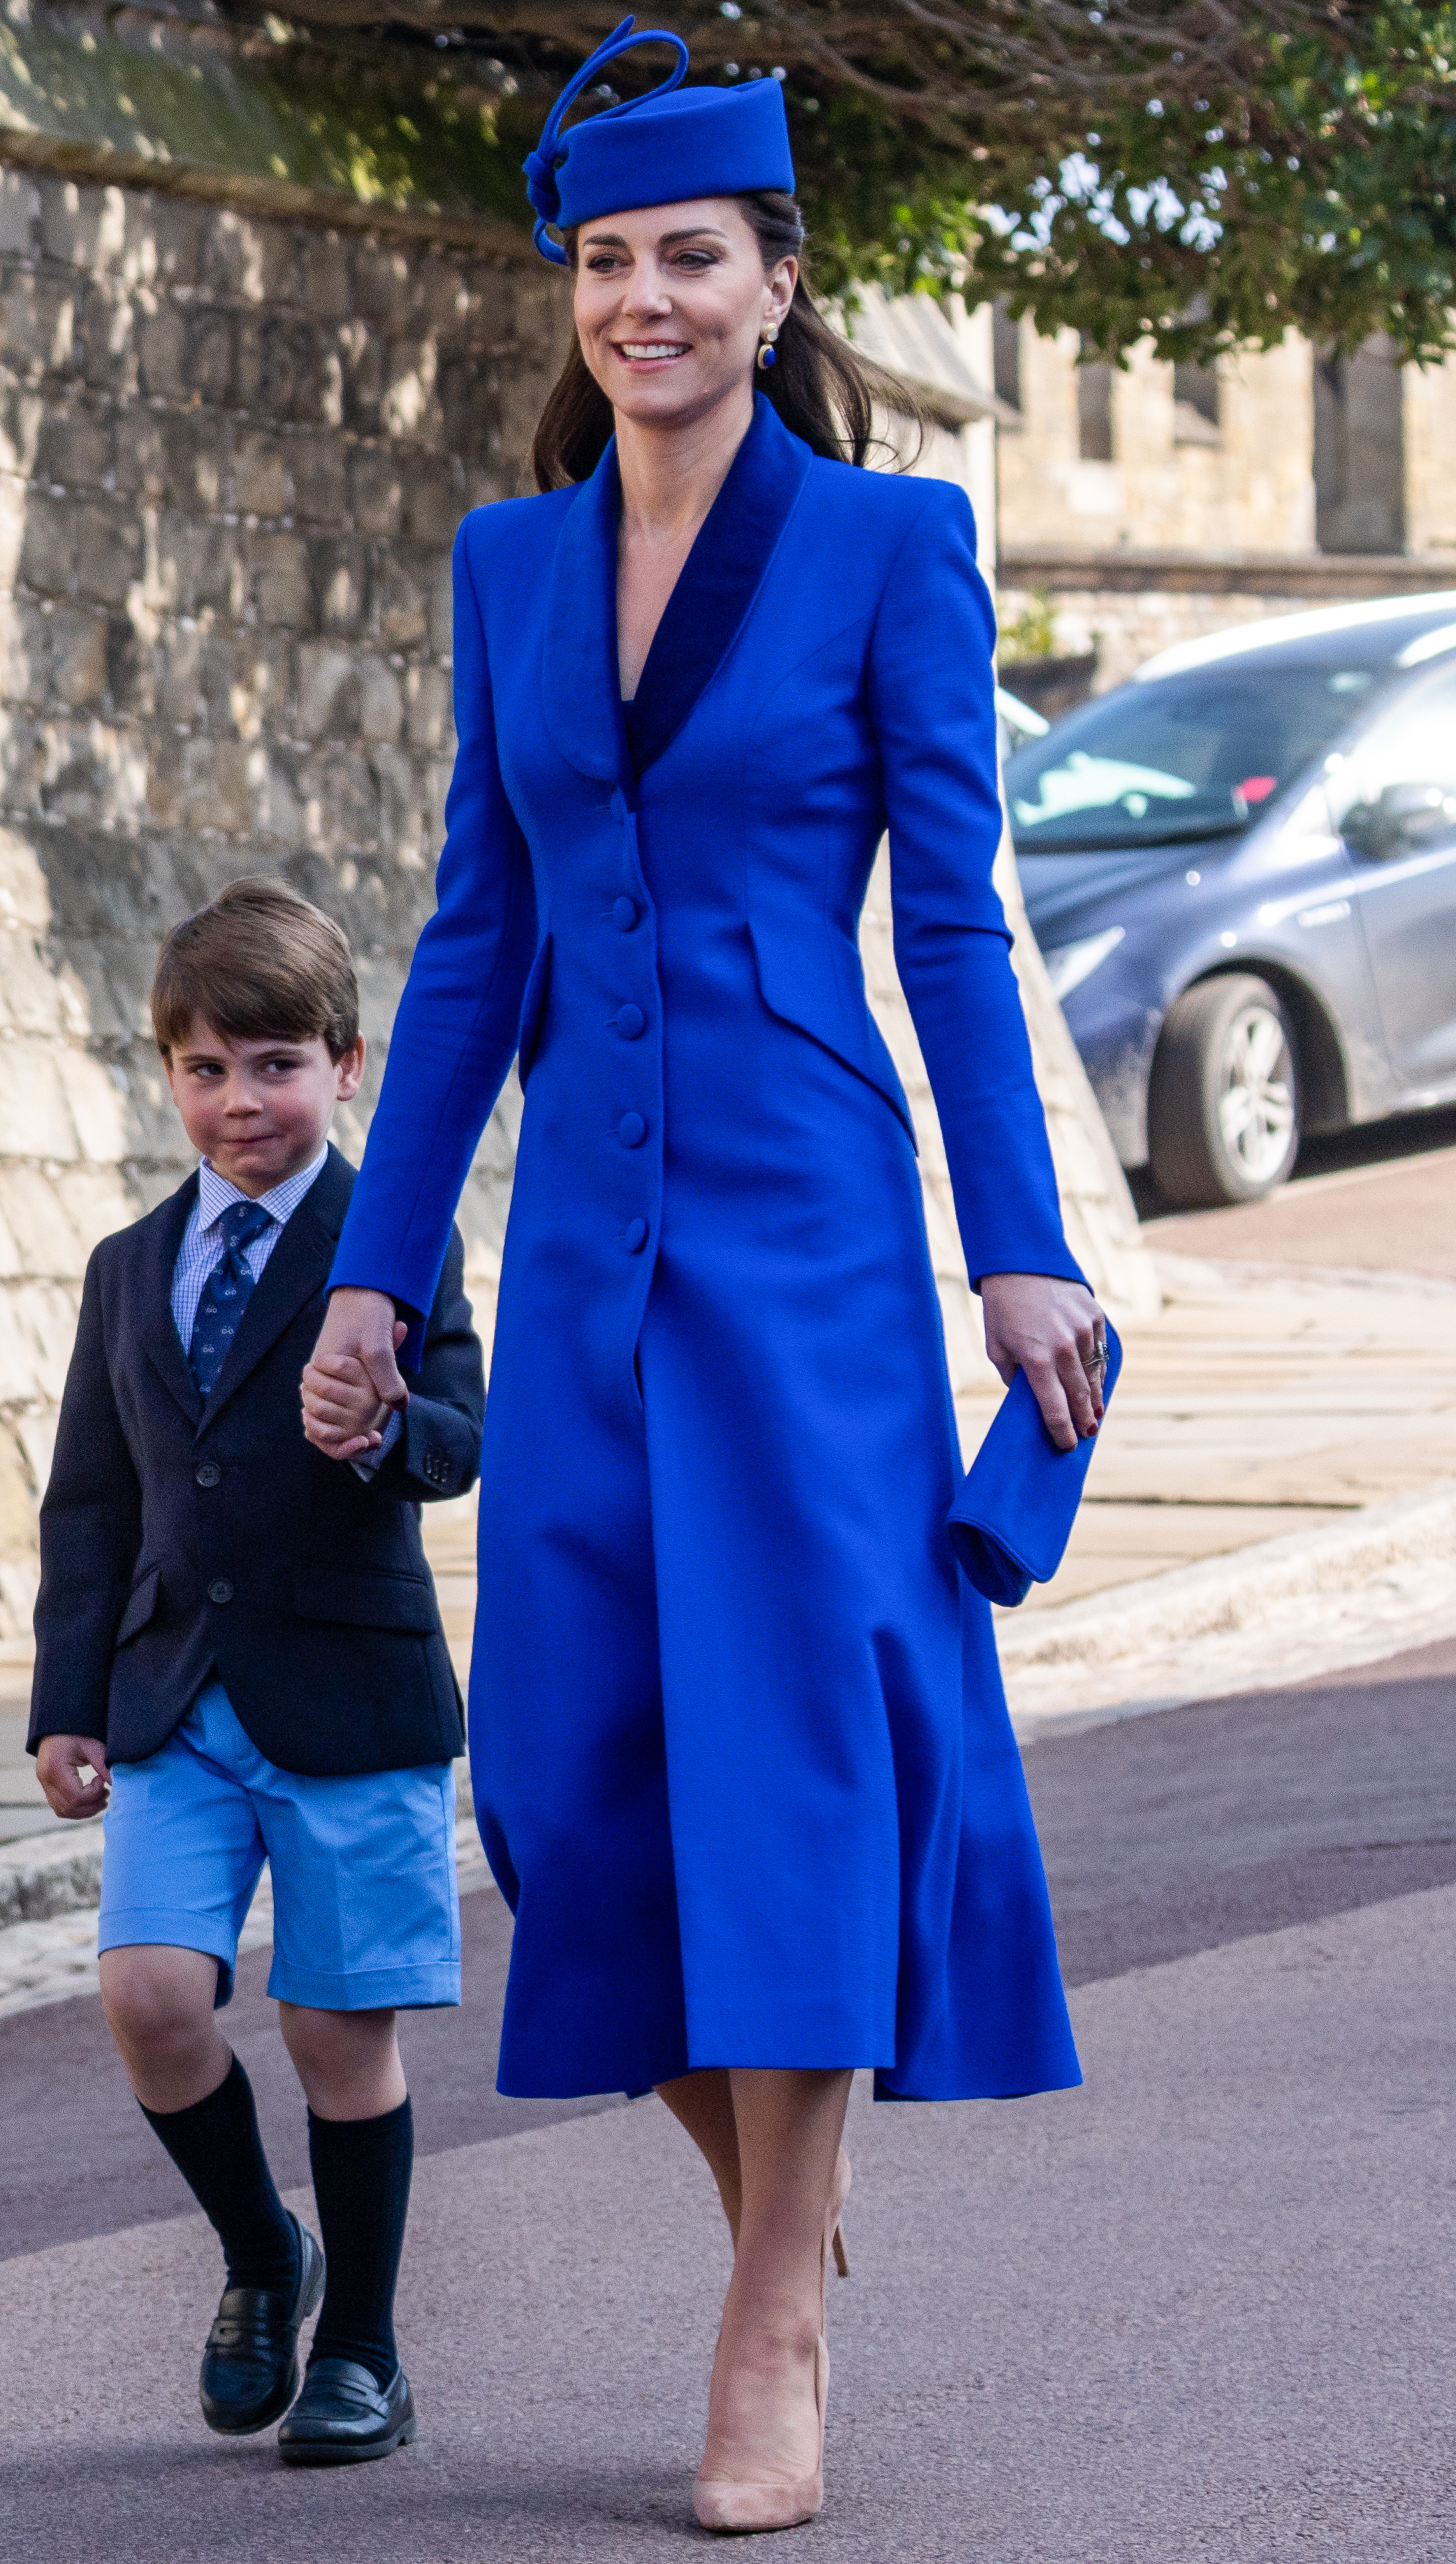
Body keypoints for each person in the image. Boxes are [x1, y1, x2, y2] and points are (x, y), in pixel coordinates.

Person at [302, 19, 1107, 2535]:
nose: (640, 299)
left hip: (810, 1238)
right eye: (605, 261)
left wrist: (1021, 1257)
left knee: (798, 1758)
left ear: (774, 287)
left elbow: (955, 934)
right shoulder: (506, 563)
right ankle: (779, 2184)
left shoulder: (890, 549)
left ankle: (768, 2313)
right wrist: (370, 1268)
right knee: (553, 1772)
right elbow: (467, 941)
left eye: (689, 260)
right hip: (581, 1257)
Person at [29, 877, 484, 2468]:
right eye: (208, 1067)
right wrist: (67, 1700)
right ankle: (257, 2254)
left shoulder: (400, 1238)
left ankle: (362, 2340)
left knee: (336, 2034)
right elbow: (92, 1502)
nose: (242, 1102)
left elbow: (466, 1439)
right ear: (167, 1073)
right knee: (151, 1996)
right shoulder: (124, 1265)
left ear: (346, 1065)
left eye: (276, 1063)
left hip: (351, 1704)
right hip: (174, 1703)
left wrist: (385, 1434)